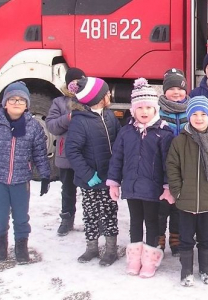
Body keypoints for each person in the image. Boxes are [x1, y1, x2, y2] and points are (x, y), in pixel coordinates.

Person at [0, 81, 51, 264]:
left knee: (21, 217)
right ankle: (1, 244)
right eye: (13, 99)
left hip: (21, 180)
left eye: (21, 100)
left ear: (27, 105)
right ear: (5, 103)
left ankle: (21, 246)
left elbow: (39, 152)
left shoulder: (33, 127)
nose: (17, 103)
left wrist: (45, 175)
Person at [106, 78, 174, 278]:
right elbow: (117, 158)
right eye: (140, 108)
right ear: (133, 110)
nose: (144, 112)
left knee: (152, 223)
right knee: (135, 221)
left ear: (156, 110)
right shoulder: (126, 132)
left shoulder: (163, 133)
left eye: (148, 108)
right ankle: (134, 259)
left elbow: (168, 163)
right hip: (132, 187)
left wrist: (168, 186)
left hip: (153, 190)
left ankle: (150, 259)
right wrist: (114, 182)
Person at [166, 96, 208, 287]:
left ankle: (205, 269)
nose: (199, 118)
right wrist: (177, 192)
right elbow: (172, 167)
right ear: (189, 116)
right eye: (194, 114)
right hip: (185, 201)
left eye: (203, 114)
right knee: (185, 239)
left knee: (206, 239)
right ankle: (186, 271)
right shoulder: (179, 141)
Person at [66, 77, 122, 266]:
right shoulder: (80, 121)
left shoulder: (110, 116)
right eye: (106, 93)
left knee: (109, 213)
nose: (109, 95)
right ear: (97, 97)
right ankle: (91, 247)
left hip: (108, 178)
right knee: (90, 213)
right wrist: (88, 175)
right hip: (88, 180)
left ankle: (111, 249)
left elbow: (118, 143)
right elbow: (72, 151)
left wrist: (117, 171)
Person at [46, 67, 84, 236]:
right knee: (68, 190)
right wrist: (67, 118)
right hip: (66, 155)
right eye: (73, 82)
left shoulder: (89, 101)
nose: (76, 85)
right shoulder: (59, 102)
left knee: (91, 191)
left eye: (79, 82)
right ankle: (67, 219)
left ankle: (93, 220)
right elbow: (51, 125)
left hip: (85, 156)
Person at [158, 68, 190, 256]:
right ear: (164, 91)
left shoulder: (192, 110)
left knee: (179, 206)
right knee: (161, 207)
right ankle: (159, 237)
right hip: (161, 165)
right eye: (171, 88)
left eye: (180, 88)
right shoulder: (157, 111)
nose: (176, 92)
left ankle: (176, 237)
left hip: (184, 168)